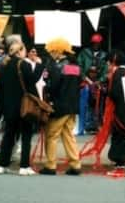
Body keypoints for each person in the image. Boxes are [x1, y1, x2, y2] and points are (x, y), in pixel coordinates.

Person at [0, 42, 43, 175]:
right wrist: (39, 65)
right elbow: (33, 79)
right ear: (20, 51)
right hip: (24, 106)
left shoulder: (3, 65)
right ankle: (24, 166)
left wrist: (2, 107)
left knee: (9, 136)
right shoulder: (24, 64)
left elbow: (0, 89)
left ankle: (2, 165)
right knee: (26, 135)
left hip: (8, 107)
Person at [39, 38, 82, 176]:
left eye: (52, 50)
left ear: (58, 51)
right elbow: (79, 82)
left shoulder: (57, 66)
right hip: (73, 106)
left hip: (60, 106)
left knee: (51, 135)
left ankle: (50, 165)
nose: (50, 53)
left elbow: (53, 86)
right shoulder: (75, 66)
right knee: (68, 135)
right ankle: (75, 164)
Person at [106, 50, 125, 177]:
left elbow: (114, 93)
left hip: (120, 110)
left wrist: (106, 91)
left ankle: (119, 163)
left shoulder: (117, 73)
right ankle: (122, 159)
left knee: (118, 135)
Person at [77, 33, 108, 133]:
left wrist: (100, 81)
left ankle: (97, 125)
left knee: (99, 104)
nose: (96, 45)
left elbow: (106, 70)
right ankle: (87, 125)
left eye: (98, 43)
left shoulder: (104, 55)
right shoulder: (84, 53)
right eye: (94, 43)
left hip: (98, 83)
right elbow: (79, 67)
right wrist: (85, 78)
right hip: (86, 82)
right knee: (86, 104)